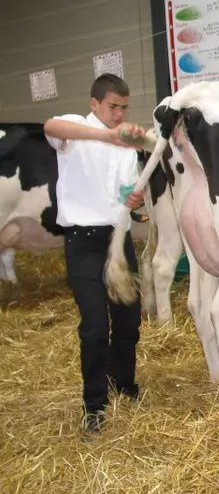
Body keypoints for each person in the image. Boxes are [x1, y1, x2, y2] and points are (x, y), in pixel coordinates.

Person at [43, 74, 148, 434]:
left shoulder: (126, 146)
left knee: (128, 320)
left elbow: (127, 191)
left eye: (123, 108)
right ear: (94, 104)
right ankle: (94, 404)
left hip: (117, 240)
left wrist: (133, 198)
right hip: (83, 243)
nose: (119, 115)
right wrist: (108, 135)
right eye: (112, 107)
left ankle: (125, 384)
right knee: (93, 327)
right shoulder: (74, 129)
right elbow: (49, 125)